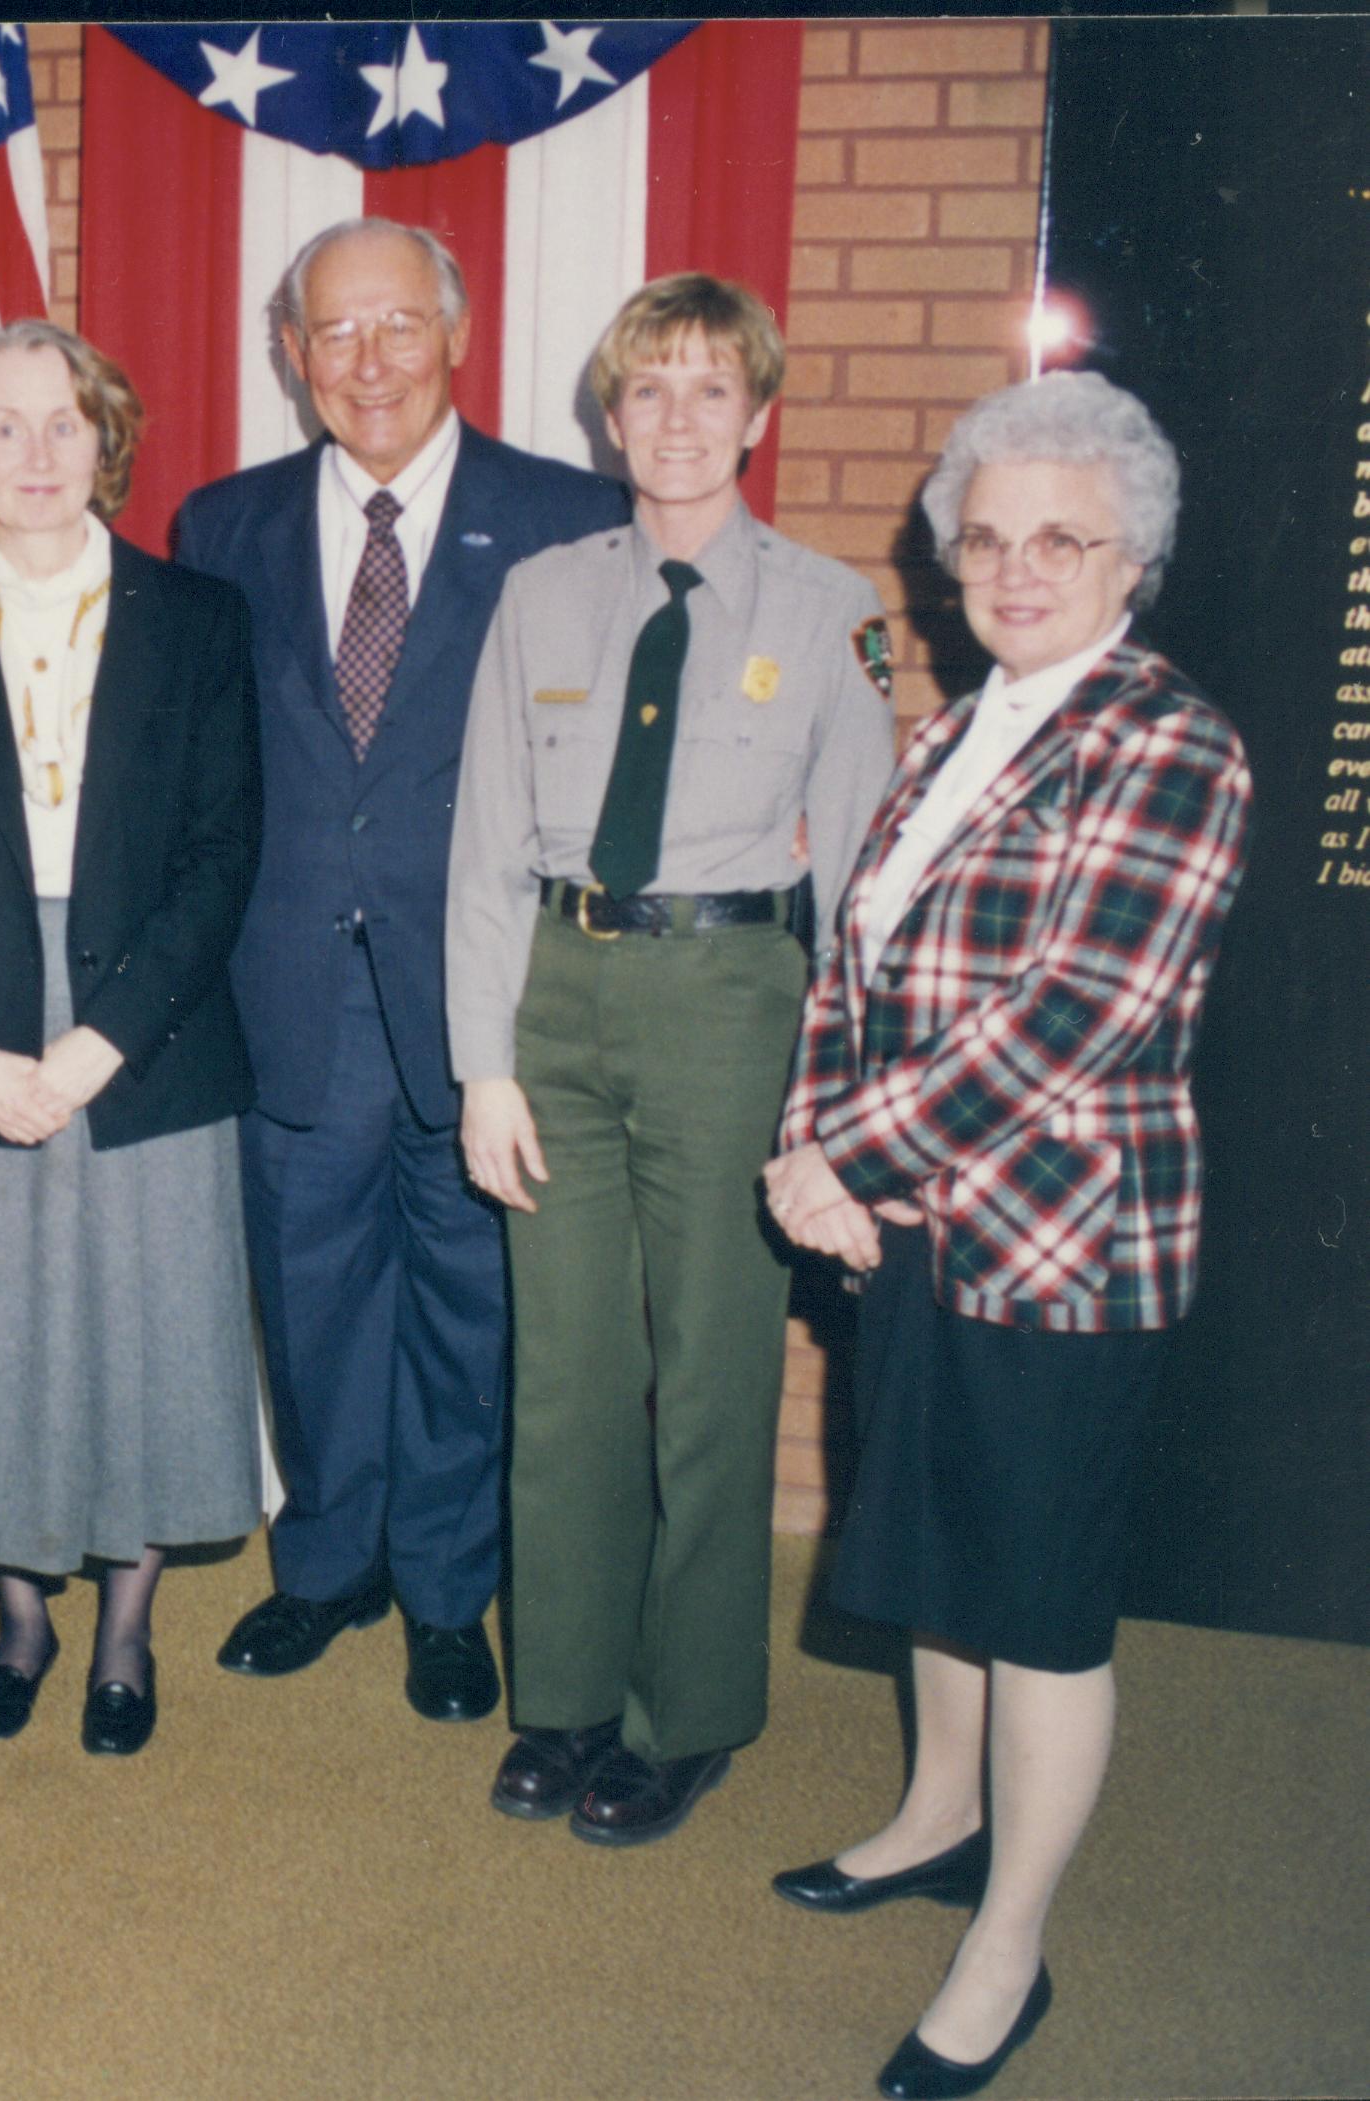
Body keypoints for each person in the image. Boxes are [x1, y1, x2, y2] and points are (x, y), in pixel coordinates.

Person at [762, 371, 1249, 2099]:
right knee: (938, 1547)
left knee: (1038, 1605)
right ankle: (936, 1811)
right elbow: (855, 966)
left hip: (1061, 1246)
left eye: (1062, 538)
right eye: (988, 538)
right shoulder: (951, 731)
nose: (1018, 567)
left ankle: (1011, 1937)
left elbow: (1076, 1019)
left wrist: (849, 1164)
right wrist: (809, 1143)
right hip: (914, 1231)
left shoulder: (1171, 741)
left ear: (1133, 559)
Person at [444, 274, 897, 1847]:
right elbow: (489, 844)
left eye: (714, 391)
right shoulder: (545, 594)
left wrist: (836, 1109)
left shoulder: (830, 608)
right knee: (565, 1379)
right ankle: (563, 1698)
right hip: (558, 998)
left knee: (711, 1372)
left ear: (758, 417)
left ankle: (686, 1715)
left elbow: (855, 880)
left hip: (729, 996)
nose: (681, 420)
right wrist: (483, 1066)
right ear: (612, 415)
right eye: (652, 391)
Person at [170, 218, 627, 1719]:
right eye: (333, 335)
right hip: (289, 982)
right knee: (307, 1297)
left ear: (458, 335)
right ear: (291, 357)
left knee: (467, 1296)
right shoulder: (219, 525)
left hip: (484, 996)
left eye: (397, 328)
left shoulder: (568, 515)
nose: (367, 364)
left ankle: (445, 1588)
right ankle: (325, 1566)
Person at [0, 320, 264, 1757]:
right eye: (6, 428)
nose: (38, 456)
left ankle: (123, 1630)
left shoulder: (200, 618)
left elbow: (228, 849)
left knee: (145, 1333)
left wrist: (102, 1040)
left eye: (65, 425)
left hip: (149, 1027)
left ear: (107, 440)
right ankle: (23, 1622)